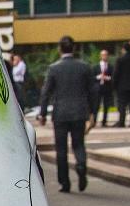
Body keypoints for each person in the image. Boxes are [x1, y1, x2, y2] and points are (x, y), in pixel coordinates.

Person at [37, 36, 96, 193]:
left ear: (59, 49)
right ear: (74, 49)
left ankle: (65, 183)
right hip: (79, 113)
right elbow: (92, 92)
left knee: (61, 149)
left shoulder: (54, 69)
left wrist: (42, 113)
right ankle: (81, 164)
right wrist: (93, 112)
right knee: (78, 144)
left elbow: (45, 93)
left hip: (60, 114)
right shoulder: (85, 67)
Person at [94, 48, 116, 123]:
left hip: (107, 87)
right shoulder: (95, 66)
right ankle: (94, 120)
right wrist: (98, 77)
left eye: (106, 55)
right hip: (98, 87)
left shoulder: (111, 67)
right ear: (100, 56)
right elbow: (91, 77)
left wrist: (108, 78)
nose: (104, 56)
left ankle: (104, 120)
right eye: (103, 55)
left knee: (106, 105)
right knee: (96, 105)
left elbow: (113, 77)